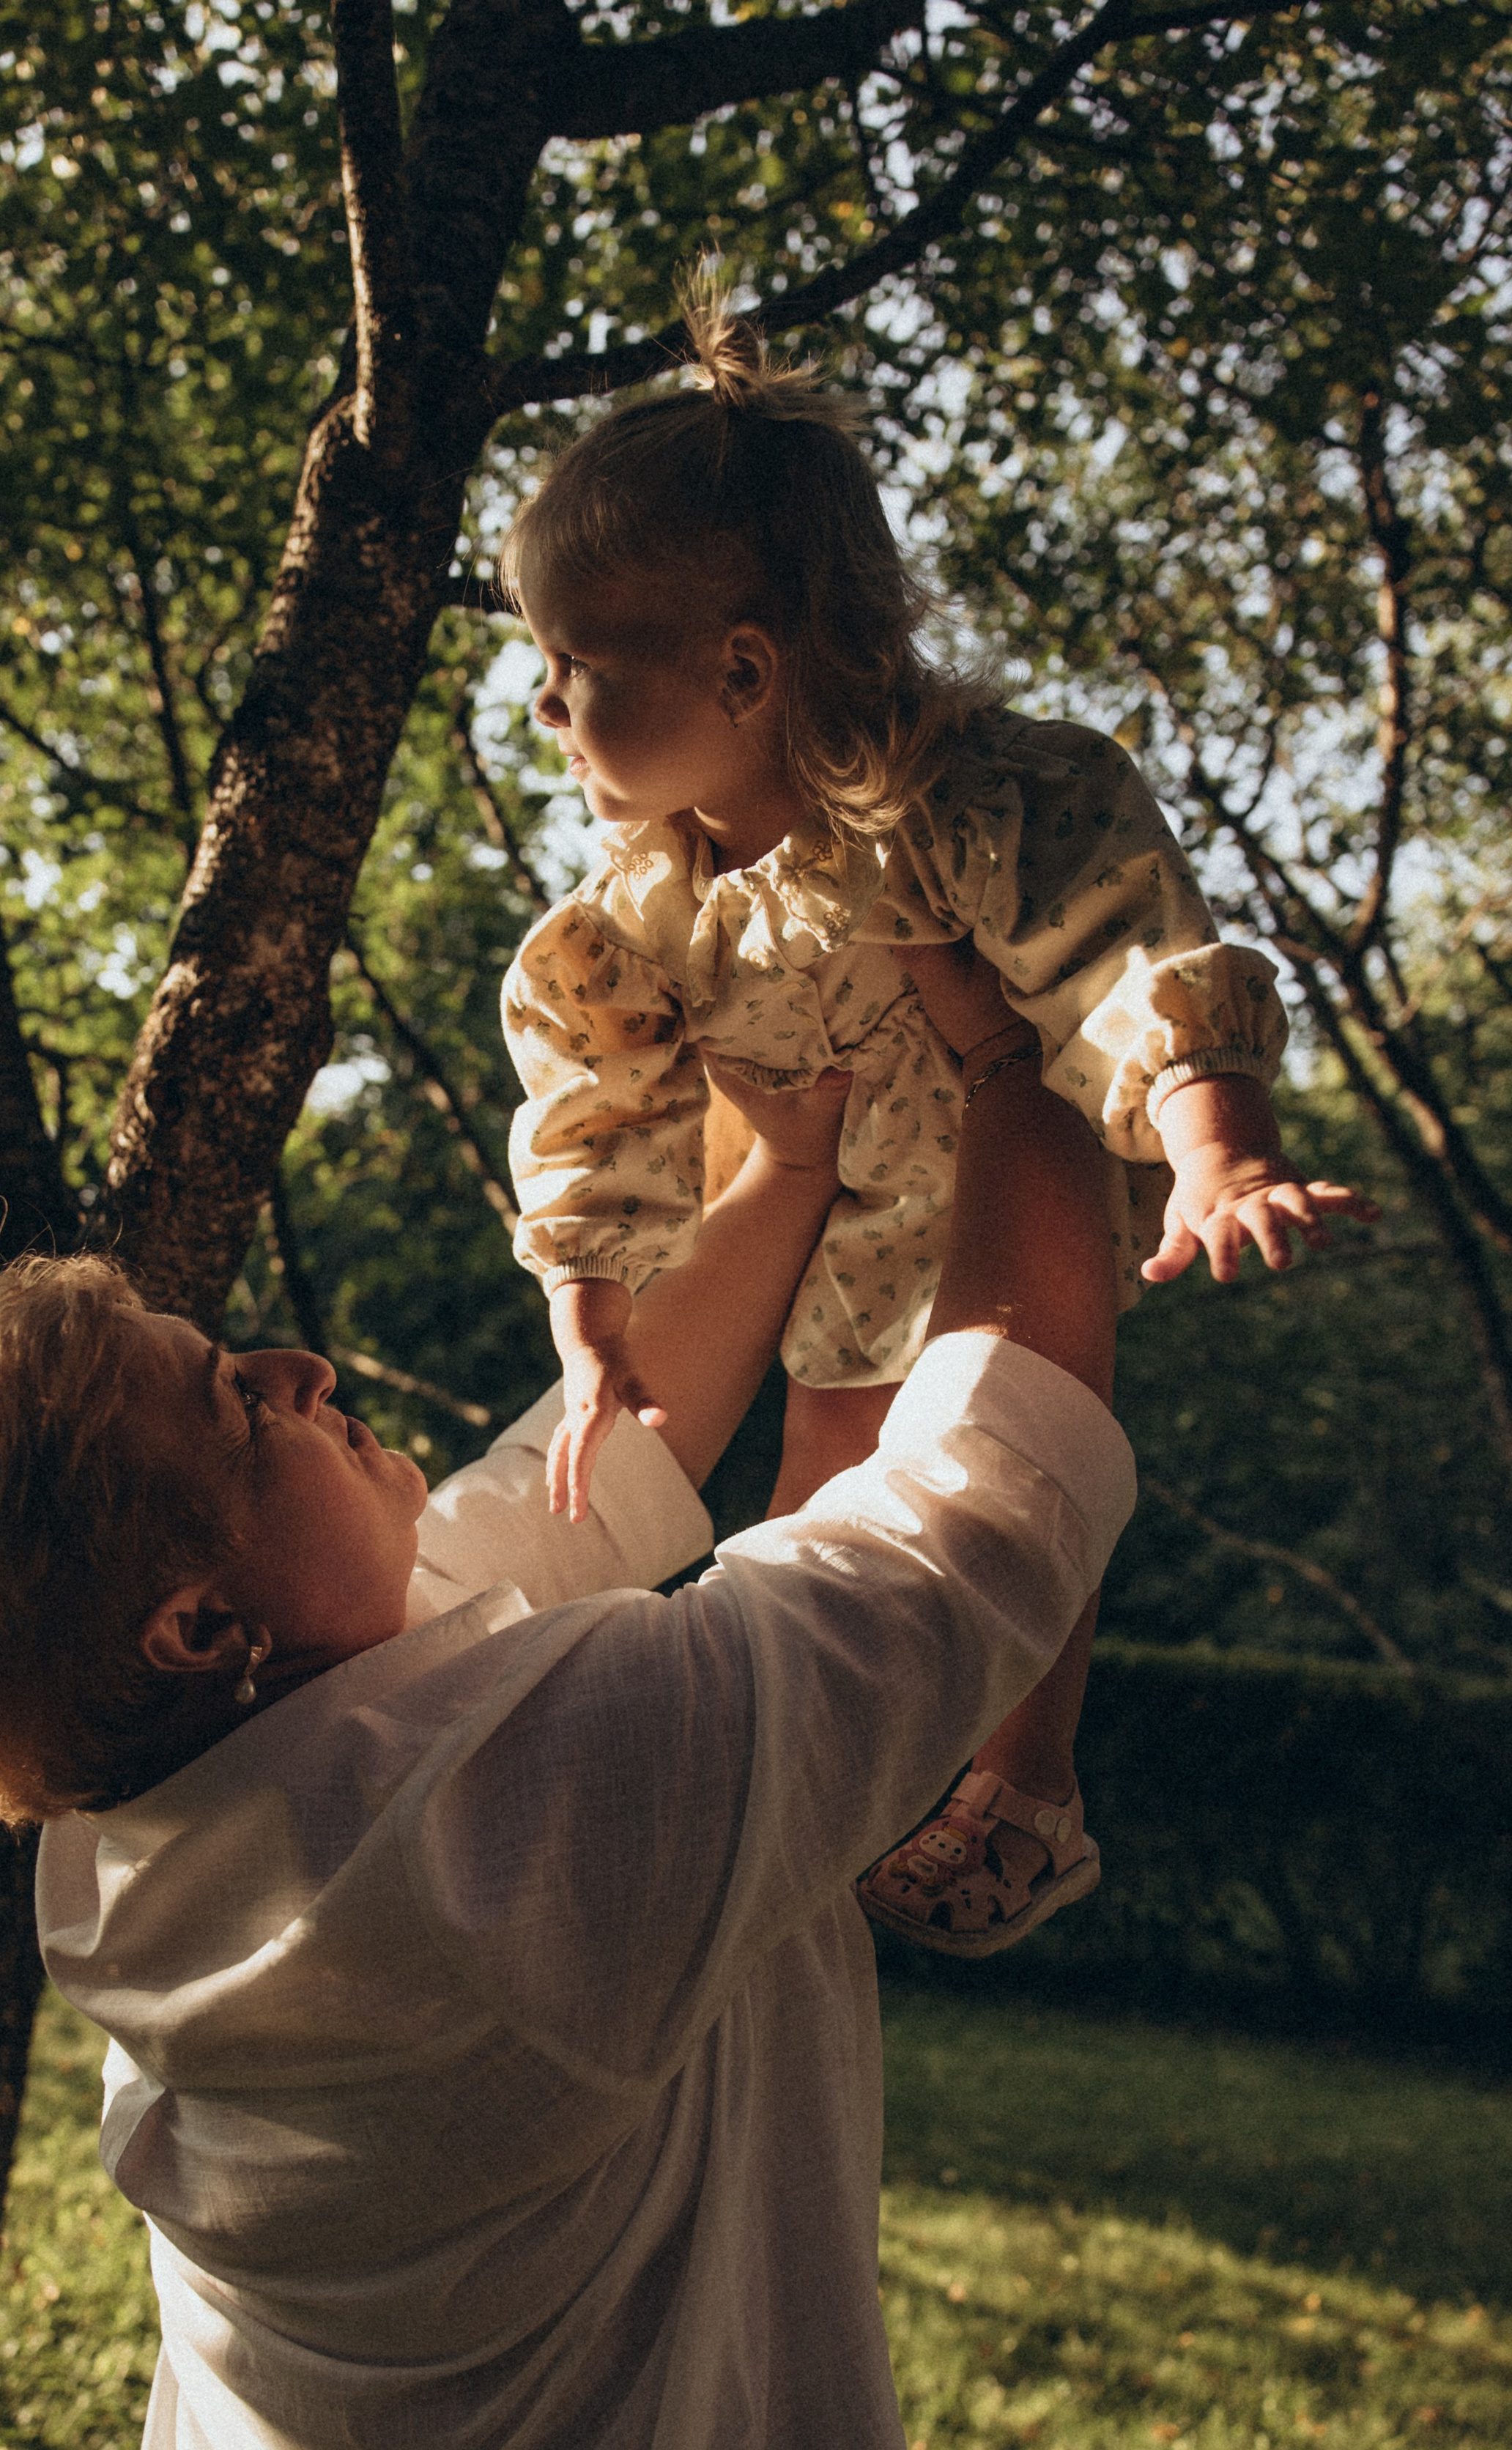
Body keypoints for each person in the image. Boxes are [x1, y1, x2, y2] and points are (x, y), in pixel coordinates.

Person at [0, 945, 1136, 2450]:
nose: (300, 1364)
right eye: (236, 1402)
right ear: (199, 1621)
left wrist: (790, 1157)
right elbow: (988, 1493)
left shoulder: (184, 1816)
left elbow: (596, 1473)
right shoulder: (512, 1824)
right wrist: (1015, 1047)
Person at [499, 289, 1374, 1955]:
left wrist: (1219, 1151)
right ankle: (809, 1790)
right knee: (814, 1524)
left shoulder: (962, 808)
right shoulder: (641, 914)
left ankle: (1030, 1788)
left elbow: (1126, 951)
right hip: (838, 1273)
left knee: (1015, 1488)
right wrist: (591, 1330)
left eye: (573, 669)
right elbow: (591, 1110)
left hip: (1006, 1223)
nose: (544, 708)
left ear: (741, 670)